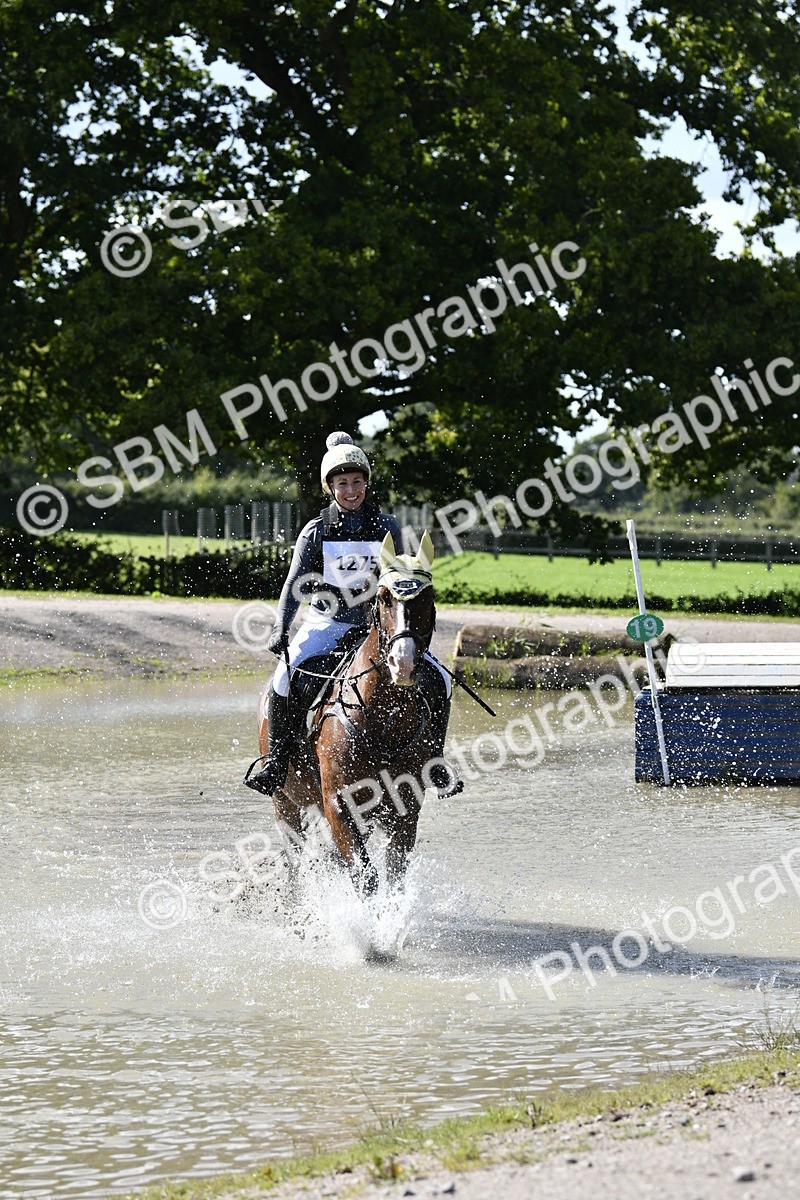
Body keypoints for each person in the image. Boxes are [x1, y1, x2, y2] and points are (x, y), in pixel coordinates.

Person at [244, 431, 460, 797]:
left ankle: (433, 761)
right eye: (342, 483)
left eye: (357, 482)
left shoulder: (387, 527)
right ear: (330, 487)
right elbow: (292, 585)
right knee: (284, 679)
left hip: (379, 626)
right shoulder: (316, 531)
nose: (351, 490)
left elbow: (403, 579)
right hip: (327, 623)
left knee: (441, 679)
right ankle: (278, 763)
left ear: (366, 484)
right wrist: (280, 627)